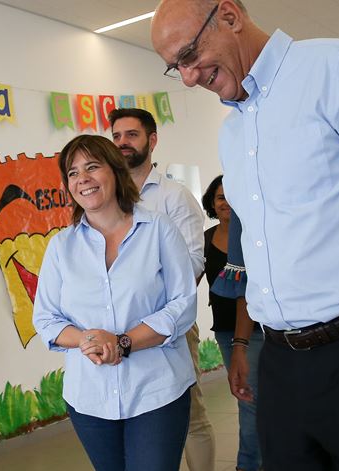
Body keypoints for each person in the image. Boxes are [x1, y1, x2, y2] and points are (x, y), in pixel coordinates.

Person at [152, 1, 339, 468]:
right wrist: (244, 345)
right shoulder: (233, 133)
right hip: (280, 364)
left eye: (190, 54)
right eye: (178, 67)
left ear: (230, 16)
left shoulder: (337, 69)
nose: (189, 77)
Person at [33, 134, 196, 471]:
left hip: (157, 391)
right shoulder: (61, 246)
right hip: (89, 398)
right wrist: (87, 340)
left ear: (116, 171)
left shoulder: (158, 229)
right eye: (73, 173)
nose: (83, 179)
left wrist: (123, 343)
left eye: (92, 167)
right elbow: (46, 318)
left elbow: (183, 304)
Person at [109, 108, 215, 471]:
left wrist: (159, 310)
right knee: (132, 418)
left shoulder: (173, 196)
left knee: (189, 412)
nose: (123, 143)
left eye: (131, 135)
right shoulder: (109, 198)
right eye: (117, 136)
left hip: (169, 328)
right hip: (118, 330)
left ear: (152, 141)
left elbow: (193, 264)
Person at [201, 176, 262, 471]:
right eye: (219, 198)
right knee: (247, 398)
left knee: (255, 400)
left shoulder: (252, 234)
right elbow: (189, 281)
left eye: (229, 196)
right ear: (212, 204)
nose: (225, 203)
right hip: (226, 329)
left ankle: (249, 464)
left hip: (259, 329)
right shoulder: (206, 238)